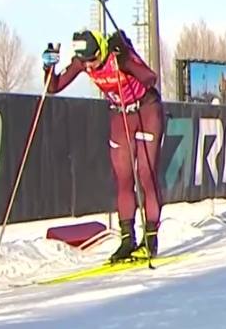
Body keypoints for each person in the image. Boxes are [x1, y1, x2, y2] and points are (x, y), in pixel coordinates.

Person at [42, 29, 164, 263]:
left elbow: (150, 79)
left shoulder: (116, 54)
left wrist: (126, 58)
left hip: (147, 110)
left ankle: (150, 239)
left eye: (94, 60)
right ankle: (127, 239)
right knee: (124, 177)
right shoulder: (83, 62)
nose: (91, 66)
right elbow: (53, 87)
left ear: (102, 50)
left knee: (146, 175)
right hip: (121, 114)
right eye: (86, 62)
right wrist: (48, 66)